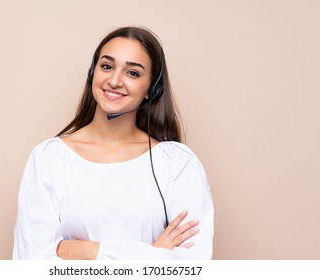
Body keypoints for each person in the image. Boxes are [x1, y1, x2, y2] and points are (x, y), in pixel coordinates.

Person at [13, 26, 214, 260]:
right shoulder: (49, 158)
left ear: (153, 88)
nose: (115, 80)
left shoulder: (178, 164)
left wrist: (90, 251)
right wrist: (153, 256)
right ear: (92, 74)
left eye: (133, 73)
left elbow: (192, 268)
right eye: (107, 66)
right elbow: (34, 265)